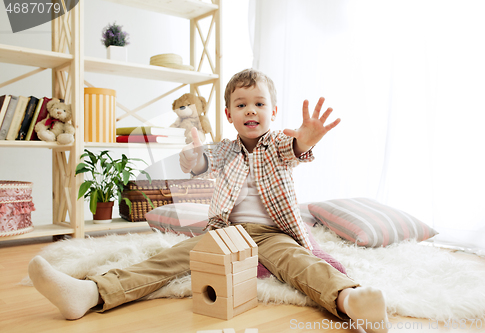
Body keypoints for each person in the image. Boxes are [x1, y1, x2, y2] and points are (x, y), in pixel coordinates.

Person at [28, 69, 389, 333]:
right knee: (167, 259)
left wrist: (306, 140)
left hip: (274, 233)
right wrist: (192, 157)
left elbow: (296, 150)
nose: (251, 110)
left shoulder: (279, 143)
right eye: (241, 104)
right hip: (228, 234)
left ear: (273, 112)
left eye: (259, 104)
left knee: (302, 265)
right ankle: (92, 293)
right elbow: (202, 162)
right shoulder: (224, 149)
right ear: (229, 115)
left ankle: (350, 300)